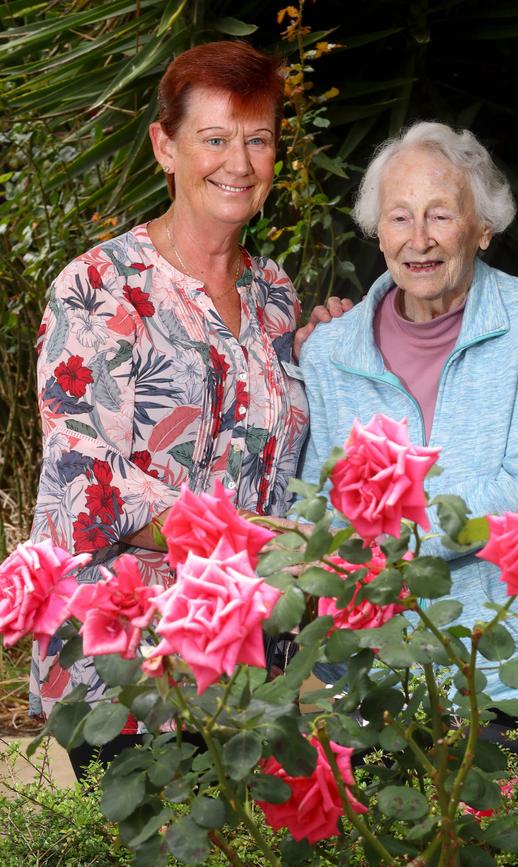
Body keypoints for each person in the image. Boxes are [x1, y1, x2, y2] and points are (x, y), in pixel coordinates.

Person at [29, 40, 347, 772]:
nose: (238, 163)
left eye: (258, 140)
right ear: (164, 148)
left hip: (255, 658)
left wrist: (330, 345)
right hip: (134, 664)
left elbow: (274, 450)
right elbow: (92, 489)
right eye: (214, 138)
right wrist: (257, 544)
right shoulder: (99, 288)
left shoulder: (274, 296)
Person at [300, 121, 518, 702]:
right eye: (399, 216)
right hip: (378, 669)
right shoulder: (331, 350)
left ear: (483, 229)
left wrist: (390, 543)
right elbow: (318, 499)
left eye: (440, 214)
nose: (420, 238)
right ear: (378, 233)